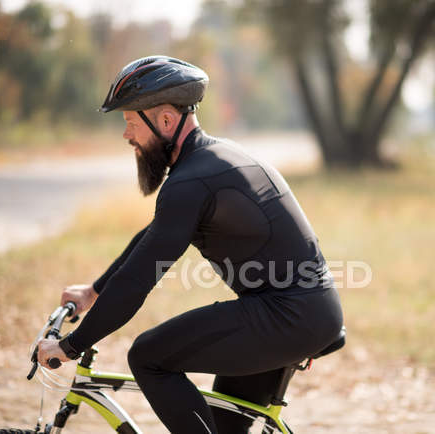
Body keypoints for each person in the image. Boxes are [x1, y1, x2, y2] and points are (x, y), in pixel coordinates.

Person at [37, 55, 343, 433]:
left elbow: (138, 280)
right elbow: (153, 239)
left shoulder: (190, 182)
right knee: (224, 427)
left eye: (132, 123)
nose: (126, 135)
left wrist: (71, 346)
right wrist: (94, 291)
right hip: (305, 313)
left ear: (165, 120)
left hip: (286, 317)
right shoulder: (216, 160)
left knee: (148, 356)